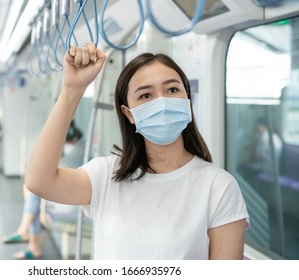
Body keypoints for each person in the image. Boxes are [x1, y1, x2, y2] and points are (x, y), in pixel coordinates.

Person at [24, 42, 249, 260]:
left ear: (187, 99)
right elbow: (39, 181)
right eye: (146, 95)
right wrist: (72, 89)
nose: (162, 102)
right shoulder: (106, 176)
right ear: (129, 114)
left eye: (172, 89)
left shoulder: (218, 187)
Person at [3, 120, 83, 260]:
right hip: (69, 186)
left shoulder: (77, 142)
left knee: (33, 192)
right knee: (31, 190)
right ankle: (28, 234)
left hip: (76, 193)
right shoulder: (66, 139)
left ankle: (26, 232)